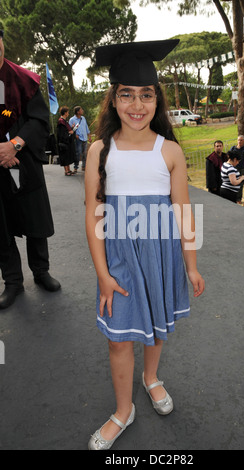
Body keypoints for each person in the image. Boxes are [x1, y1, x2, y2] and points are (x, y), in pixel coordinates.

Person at [85, 39, 205, 450]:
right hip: (118, 258)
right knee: (119, 338)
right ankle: (123, 410)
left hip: (160, 256)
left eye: (146, 95)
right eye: (127, 95)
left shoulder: (169, 151)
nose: (137, 105)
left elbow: (184, 212)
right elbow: (93, 215)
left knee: (155, 328)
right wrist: (102, 275)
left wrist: (190, 265)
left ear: (157, 100)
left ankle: (151, 378)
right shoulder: (99, 151)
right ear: (114, 100)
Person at [0, 29, 61, 310]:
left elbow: (38, 121)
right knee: (1, 225)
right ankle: (12, 282)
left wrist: (15, 145)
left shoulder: (24, 79)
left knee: (34, 218)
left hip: (24, 161)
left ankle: (41, 272)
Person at [69, 106, 92, 172]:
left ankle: (84, 166)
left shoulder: (83, 118)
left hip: (84, 138)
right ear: (78, 112)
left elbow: (86, 127)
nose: (82, 110)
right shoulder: (72, 119)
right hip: (78, 139)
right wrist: (75, 135)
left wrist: (89, 136)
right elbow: (70, 129)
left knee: (84, 153)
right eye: (81, 110)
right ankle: (76, 167)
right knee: (78, 153)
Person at [57, 106, 76, 176]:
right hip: (63, 142)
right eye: (67, 112)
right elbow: (62, 134)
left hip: (67, 142)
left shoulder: (64, 121)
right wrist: (69, 133)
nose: (68, 113)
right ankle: (66, 171)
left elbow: (67, 130)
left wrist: (72, 128)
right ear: (65, 113)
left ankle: (68, 169)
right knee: (65, 156)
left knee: (67, 156)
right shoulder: (61, 122)